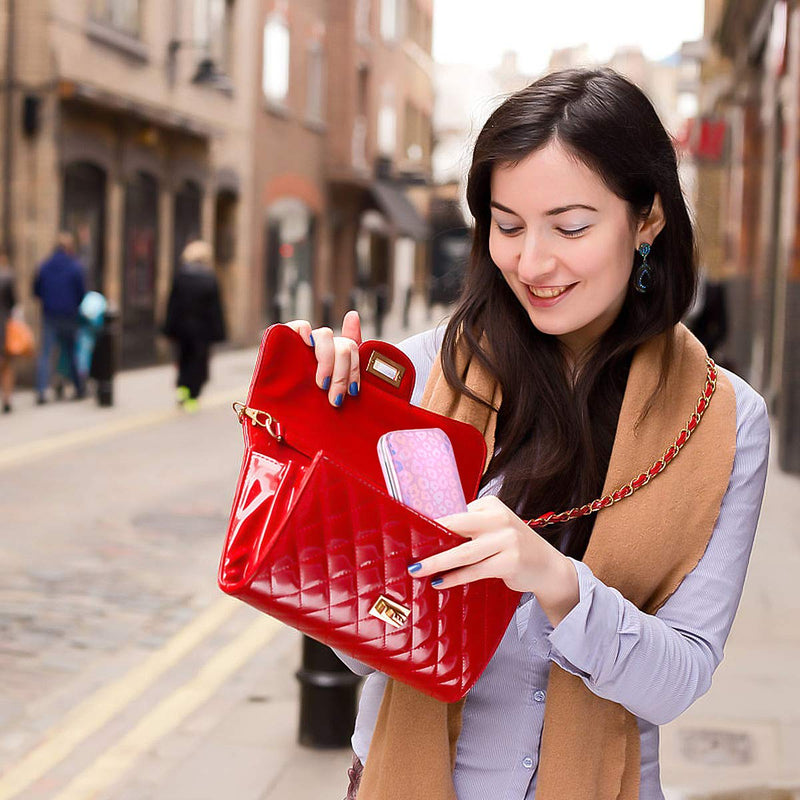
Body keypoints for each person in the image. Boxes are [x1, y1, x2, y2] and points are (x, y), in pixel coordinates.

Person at [286, 68, 770, 800]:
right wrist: (321, 441)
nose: (532, 263)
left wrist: (558, 583)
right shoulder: (421, 375)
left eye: (570, 227)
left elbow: (679, 681)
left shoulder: (724, 421)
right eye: (507, 226)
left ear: (648, 219)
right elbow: (353, 653)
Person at [162, 240, 226, 411]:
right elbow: (215, 309)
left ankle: (182, 389)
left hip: (182, 328)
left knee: (183, 358)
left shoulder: (181, 276)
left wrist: (169, 327)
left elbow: (172, 304)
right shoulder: (209, 278)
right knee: (198, 362)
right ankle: (193, 396)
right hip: (202, 330)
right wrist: (218, 331)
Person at [33, 232, 87, 404]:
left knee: (46, 354)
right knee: (71, 352)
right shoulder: (75, 266)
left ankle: (41, 391)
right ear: (69, 248)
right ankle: (78, 388)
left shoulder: (44, 265)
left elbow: (36, 290)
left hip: (50, 314)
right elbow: (81, 293)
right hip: (69, 315)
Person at [0, 248, 17, 413]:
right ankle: (6, 398)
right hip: (3, 325)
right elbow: (13, 303)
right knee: (6, 364)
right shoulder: (6, 276)